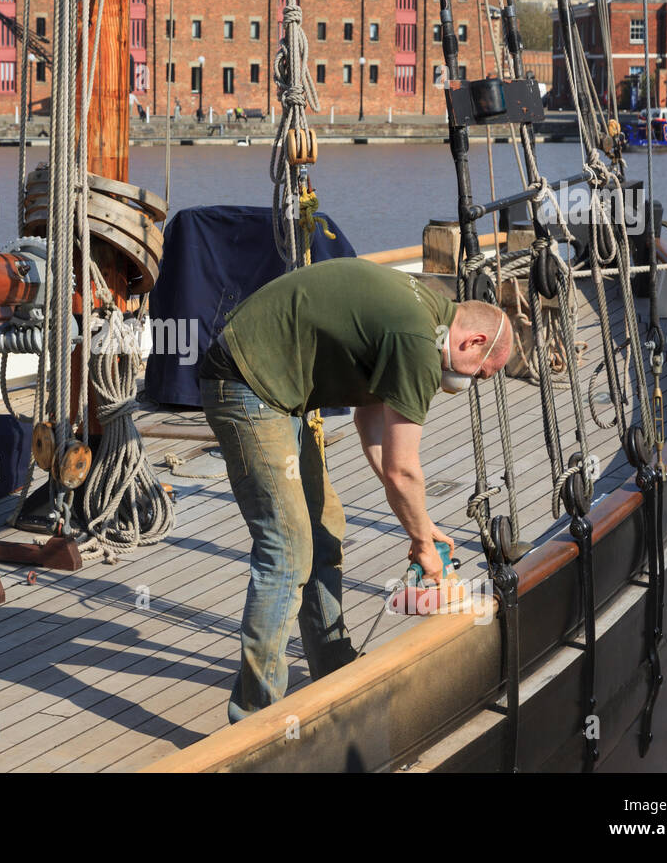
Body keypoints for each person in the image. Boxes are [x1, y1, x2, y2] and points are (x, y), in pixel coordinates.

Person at [198, 257, 512, 722]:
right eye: (482, 373)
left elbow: (372, 417)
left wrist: (420, 524)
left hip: (280, 388)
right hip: (246, 380)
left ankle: (332, 666)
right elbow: (405, 470)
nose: (474, 383)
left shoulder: (427, 310)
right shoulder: (418, 344)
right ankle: (255, 720)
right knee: (286, 548)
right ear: (475, 342)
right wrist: (424, 544)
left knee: (325, 527)